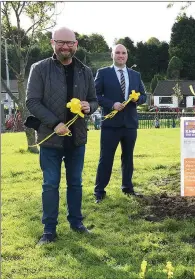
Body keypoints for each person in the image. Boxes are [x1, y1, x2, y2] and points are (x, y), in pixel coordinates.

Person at [26, 26, 99, 244]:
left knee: (75, 183)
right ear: (52, 43)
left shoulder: (85, 70)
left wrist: (90, 106)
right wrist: (54, 123)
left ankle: (76, 222)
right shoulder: (39, 69)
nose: (65, 46)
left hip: (77, 137)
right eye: (61, 42)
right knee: (50, 183)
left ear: (76, 45)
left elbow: (94, 100)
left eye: (70, 43)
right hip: (50, 138)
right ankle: (49, 230)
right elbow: (32, 102)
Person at [93, 44, 147, 203]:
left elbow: (144, 96)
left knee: (128, 157)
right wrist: (111, 104)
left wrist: (138, 99)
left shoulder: (135, 75)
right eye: (117, 52)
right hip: (110, 124)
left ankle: (127, 188)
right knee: (106, 158)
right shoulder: (103, 73)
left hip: (130, 124)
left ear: (127, 56)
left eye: (123, 53)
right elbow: (95, 96)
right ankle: (99, 191)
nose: (121, 55)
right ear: (112, 55)